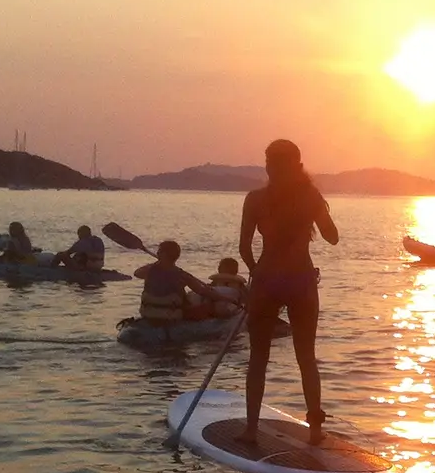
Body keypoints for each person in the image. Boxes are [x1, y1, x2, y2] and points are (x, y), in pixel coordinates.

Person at [239, 139, 339, 445]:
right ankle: (315, 430)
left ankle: (252, 430)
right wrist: (316, 208)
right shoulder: (309, 195)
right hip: (300, 282)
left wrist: (256, 271)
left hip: (267, 281)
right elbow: (332, 238)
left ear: (269, 165)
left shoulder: (254, 199)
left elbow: (244, 249)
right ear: (298, 167)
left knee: (258, 358)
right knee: (306, 357)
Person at [133, 241, 232, 326]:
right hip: (171, 318)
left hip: (149, 314)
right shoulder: (182, 276)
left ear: (163, 255)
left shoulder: (149, 271)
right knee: (208, 306)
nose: (157, 252)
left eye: (160, 250)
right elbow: (202, 291)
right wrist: (222, 298)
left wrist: (158, 264)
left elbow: (137, 273)